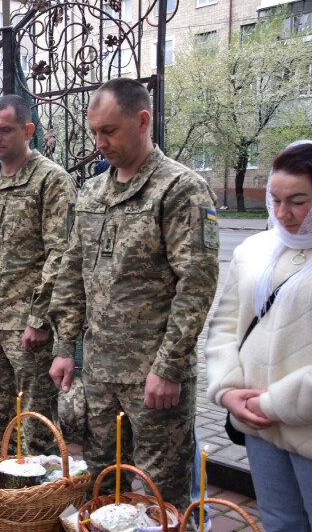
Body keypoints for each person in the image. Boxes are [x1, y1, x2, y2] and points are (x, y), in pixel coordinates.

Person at [47, 78, 219, 513]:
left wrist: (169, 366)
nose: (99, 142)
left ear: (142, 121)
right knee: (103, 488)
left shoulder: (179, 188)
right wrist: (64, 346)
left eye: (109, 131)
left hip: (153, 379)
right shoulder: (92, 191)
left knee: (161, 497)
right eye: (94, 132)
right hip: (100, 375)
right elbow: (72, 271)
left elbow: (196, 283)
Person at [0, 94, 77, 457]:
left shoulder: (51, 181)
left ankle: (41, 491)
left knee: (37, 427)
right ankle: (1, 486)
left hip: (28, 330)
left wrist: (39, 319)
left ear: (28, 131)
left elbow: (61, 255)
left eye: (5, 130)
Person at [206, 141, 312, 531]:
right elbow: (224, 326)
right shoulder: (254, 250)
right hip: (257, 424)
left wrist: (271, 403)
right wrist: (226, 390)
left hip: (300, 423)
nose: (283, 214)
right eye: (275, 199)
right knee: (278, 521)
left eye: (298, 201)